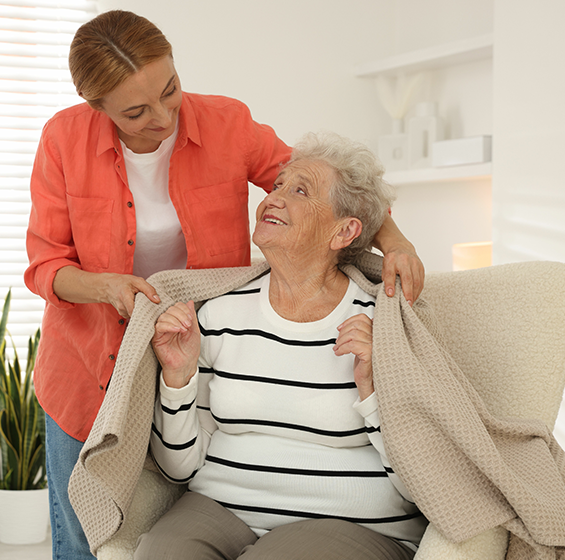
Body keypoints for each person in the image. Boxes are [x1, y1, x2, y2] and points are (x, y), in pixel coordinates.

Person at [23, 10, 425, 560]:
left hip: (194, 340)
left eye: (170, 90)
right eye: (136, 112)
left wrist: (396, 240)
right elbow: (45, 265)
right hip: (88, 364)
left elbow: (326, 187)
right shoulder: (63, 139)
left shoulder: (226, 125)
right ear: (98, 107)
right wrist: (107, 288)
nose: (163, 117)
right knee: (82, 540)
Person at [138, 132, 428, 560]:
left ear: (343, 231)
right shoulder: (218, 314)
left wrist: (370, 387)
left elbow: (424, 480)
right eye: (277, 186)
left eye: (300, 191)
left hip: (350, 523)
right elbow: (179, 467)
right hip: (221, 507)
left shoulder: (381, 321)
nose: (273, 198)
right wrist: (178, 380)